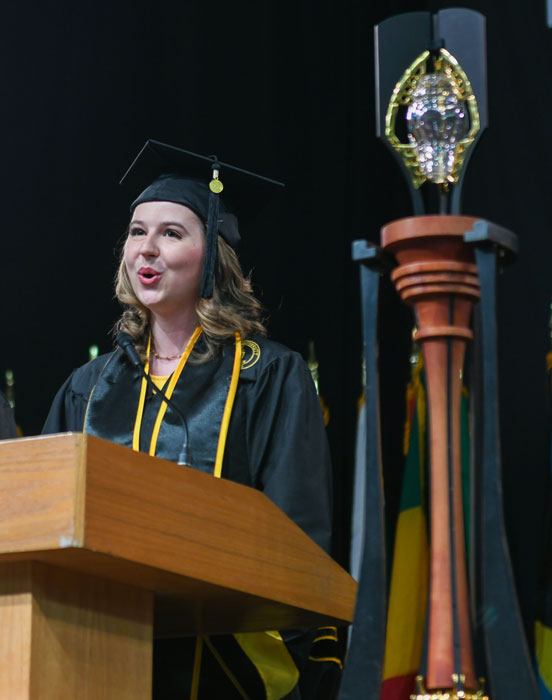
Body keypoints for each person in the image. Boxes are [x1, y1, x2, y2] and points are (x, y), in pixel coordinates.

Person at [43, 140, 340, 699]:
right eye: (136, 232)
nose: (146, 249)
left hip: (229, 661)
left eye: (171, 233)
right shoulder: (88, 386)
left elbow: (299, 536)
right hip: (99, 654)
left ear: (214, 259)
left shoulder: (268, 375)